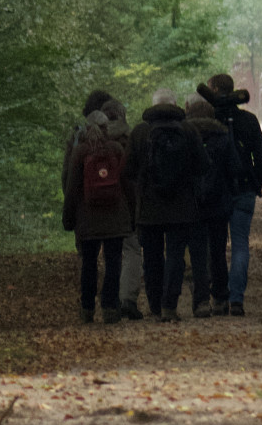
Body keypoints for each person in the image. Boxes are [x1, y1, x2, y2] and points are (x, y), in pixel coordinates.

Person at [124, 88, 207, 322]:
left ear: (153, 105)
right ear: (174, 105)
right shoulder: (188, 130)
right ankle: (170, 305)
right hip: (181, 207)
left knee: (151, 257)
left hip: (149, 208)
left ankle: (155, 305)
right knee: (175, 255)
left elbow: (127, 170)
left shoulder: (140, 132)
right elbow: (203, 165)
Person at [197, 74, 262, 315]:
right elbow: (261, 155)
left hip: (217, 191)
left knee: (215, 246)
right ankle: (237, 298)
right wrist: (255, 182)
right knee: (240, 244)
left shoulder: (209, 120)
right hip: (244, 188)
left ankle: (220, 296)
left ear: (214, 90)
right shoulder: (248, 120)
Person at [61, 109, 133, 322]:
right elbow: (127, 184)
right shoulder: (117, 148)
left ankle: (87, 308)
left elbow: (72, 187)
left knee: (89, 263)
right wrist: (132, 214)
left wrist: (68, 218)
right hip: (115, 216)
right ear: (105, 128)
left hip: (87, 217)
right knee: (113, 262)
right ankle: (110, 307)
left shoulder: (80, 152)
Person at [185, 94, 247, 316]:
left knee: (198, 253)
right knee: (218, 252)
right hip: (219, 203)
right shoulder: (222, 137)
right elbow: (236, 168)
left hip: (193, 203)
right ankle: (221, 297)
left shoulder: (186, 136)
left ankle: (201, 301)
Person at [100, 98, 147, 319]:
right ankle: (127, 298)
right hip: (126, 203)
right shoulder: (131, 138)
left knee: (106, 254)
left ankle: (107, 302)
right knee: (131, 250)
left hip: (96, 205)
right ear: (122, 116)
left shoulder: (90, 141)